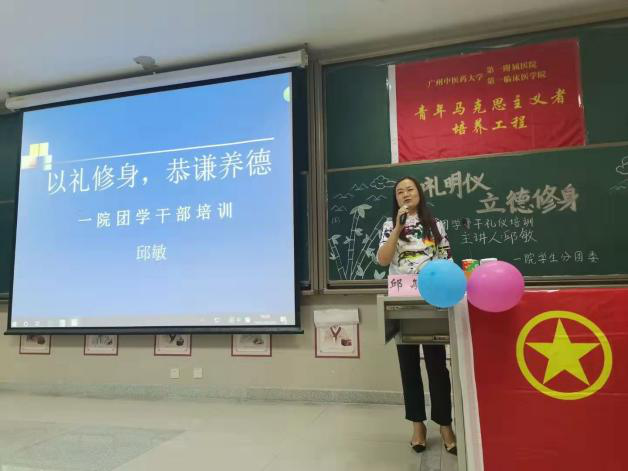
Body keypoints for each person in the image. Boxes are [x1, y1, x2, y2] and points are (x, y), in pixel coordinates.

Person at [376, 176, 457, 455]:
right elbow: (383, 260)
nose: (405, 194)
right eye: (400, 192)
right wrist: (398, 227)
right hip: (402, 300)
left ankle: (445, 424)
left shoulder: (435, 224)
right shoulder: (389, 225)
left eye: (410, 189)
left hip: (431, 299)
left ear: (419, 193)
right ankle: (417, 425)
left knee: (437, 366)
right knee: (408, 366)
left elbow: (446, 260)